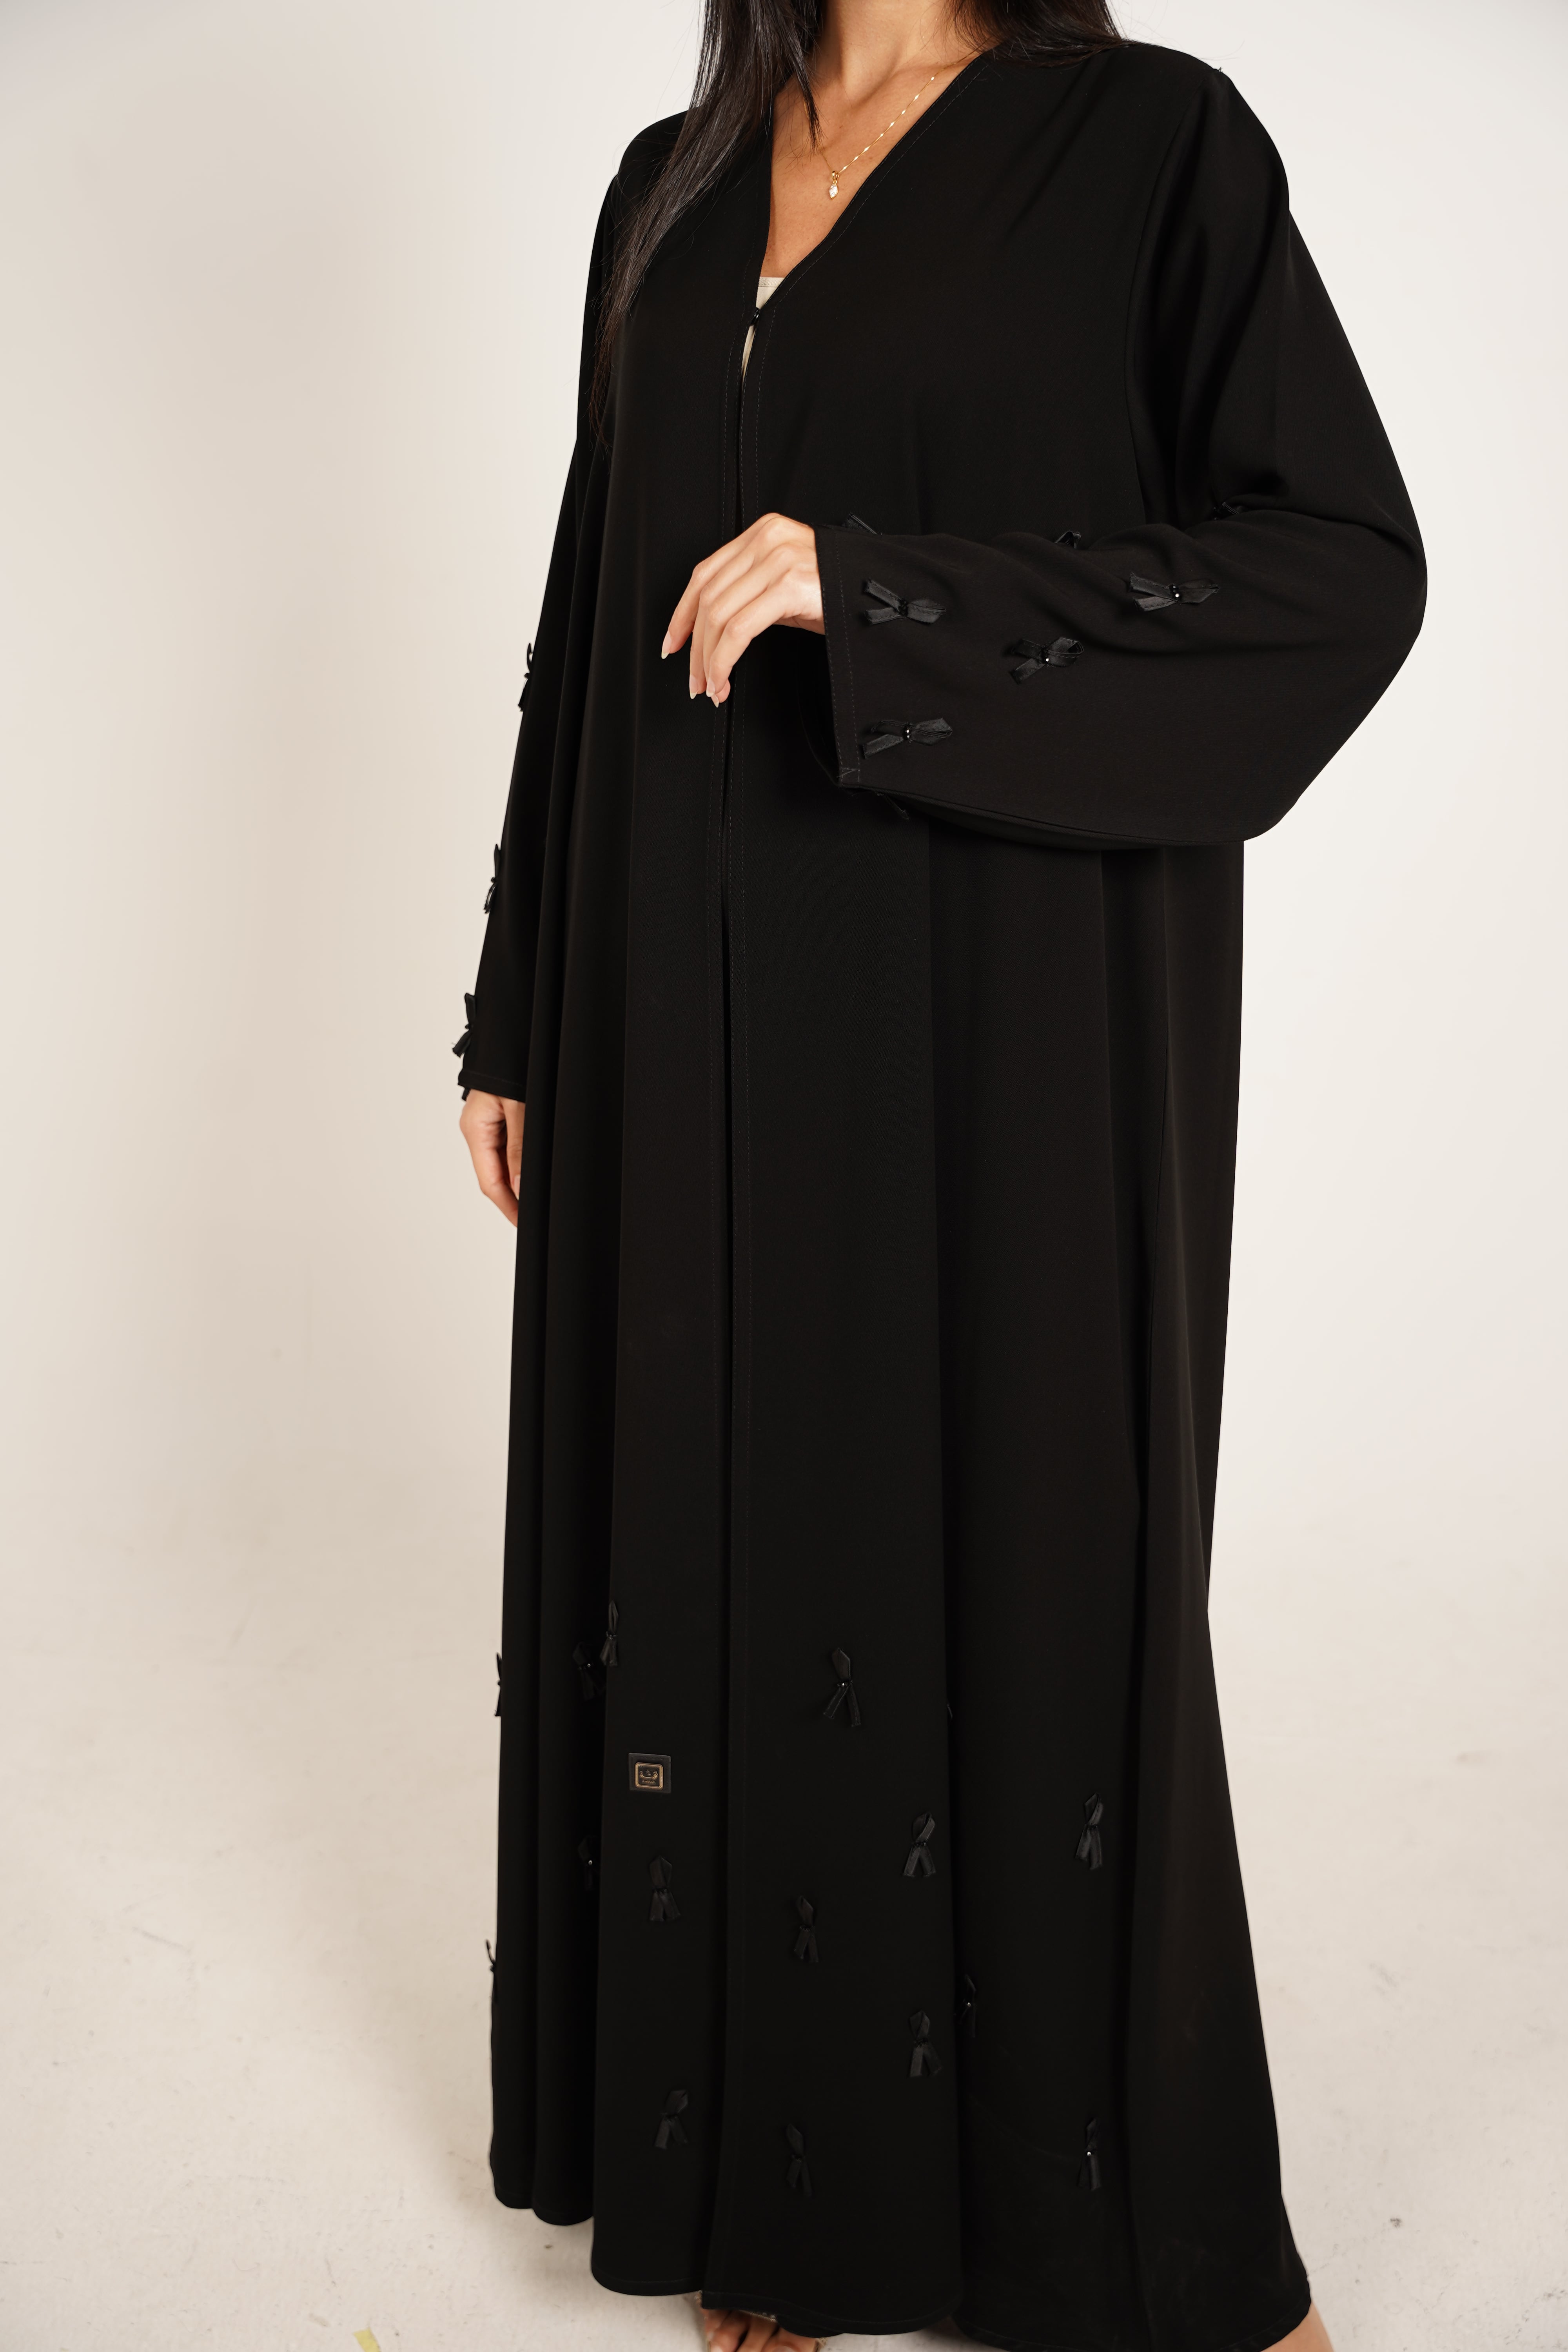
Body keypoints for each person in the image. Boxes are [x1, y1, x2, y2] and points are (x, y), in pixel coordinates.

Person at [456, 4, 1423, 2348]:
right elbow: (594, 603)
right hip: (679, 1001)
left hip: (996, 1011)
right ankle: (780, 2197)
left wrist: (888, 595)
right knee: (733, 1530)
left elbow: (1333, 567)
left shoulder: (1151, 147)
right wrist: (518, 998)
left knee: (1020, 1547)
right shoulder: (673, 183)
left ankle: (1148, 2243)